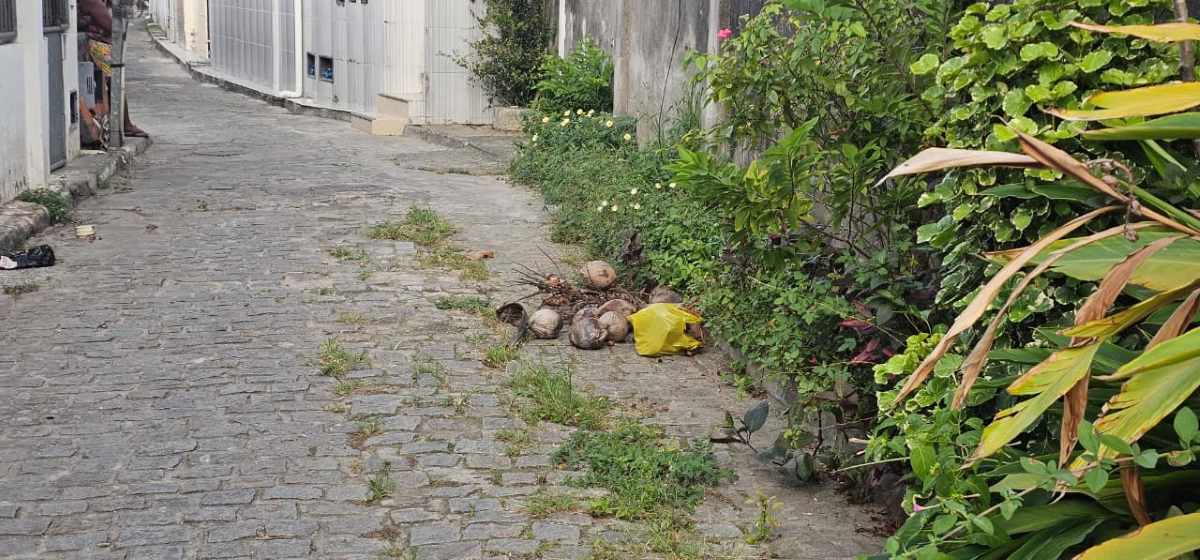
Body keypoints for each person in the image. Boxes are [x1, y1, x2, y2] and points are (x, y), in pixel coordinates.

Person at [78, 0, 147, 140]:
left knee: (115, 75)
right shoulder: (92, 2)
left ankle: (121, 122)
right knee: (115, 75)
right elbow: (110, 25)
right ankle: (124, 123)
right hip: (94, 43)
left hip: (99, 42)